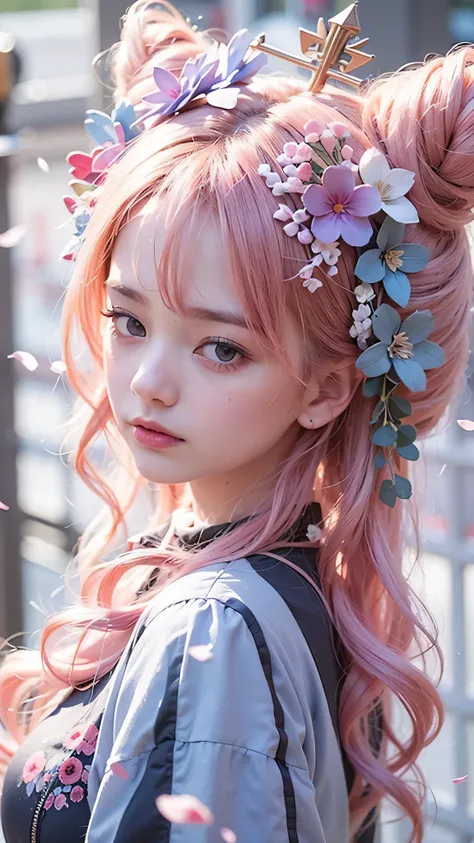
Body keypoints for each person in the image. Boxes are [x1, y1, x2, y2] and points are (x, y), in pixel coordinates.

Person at [0, 1, 472, 841]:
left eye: (220, 348)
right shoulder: (273, 581)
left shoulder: (216, 623)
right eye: (128, 320)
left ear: (327, 387)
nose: (148, 382)